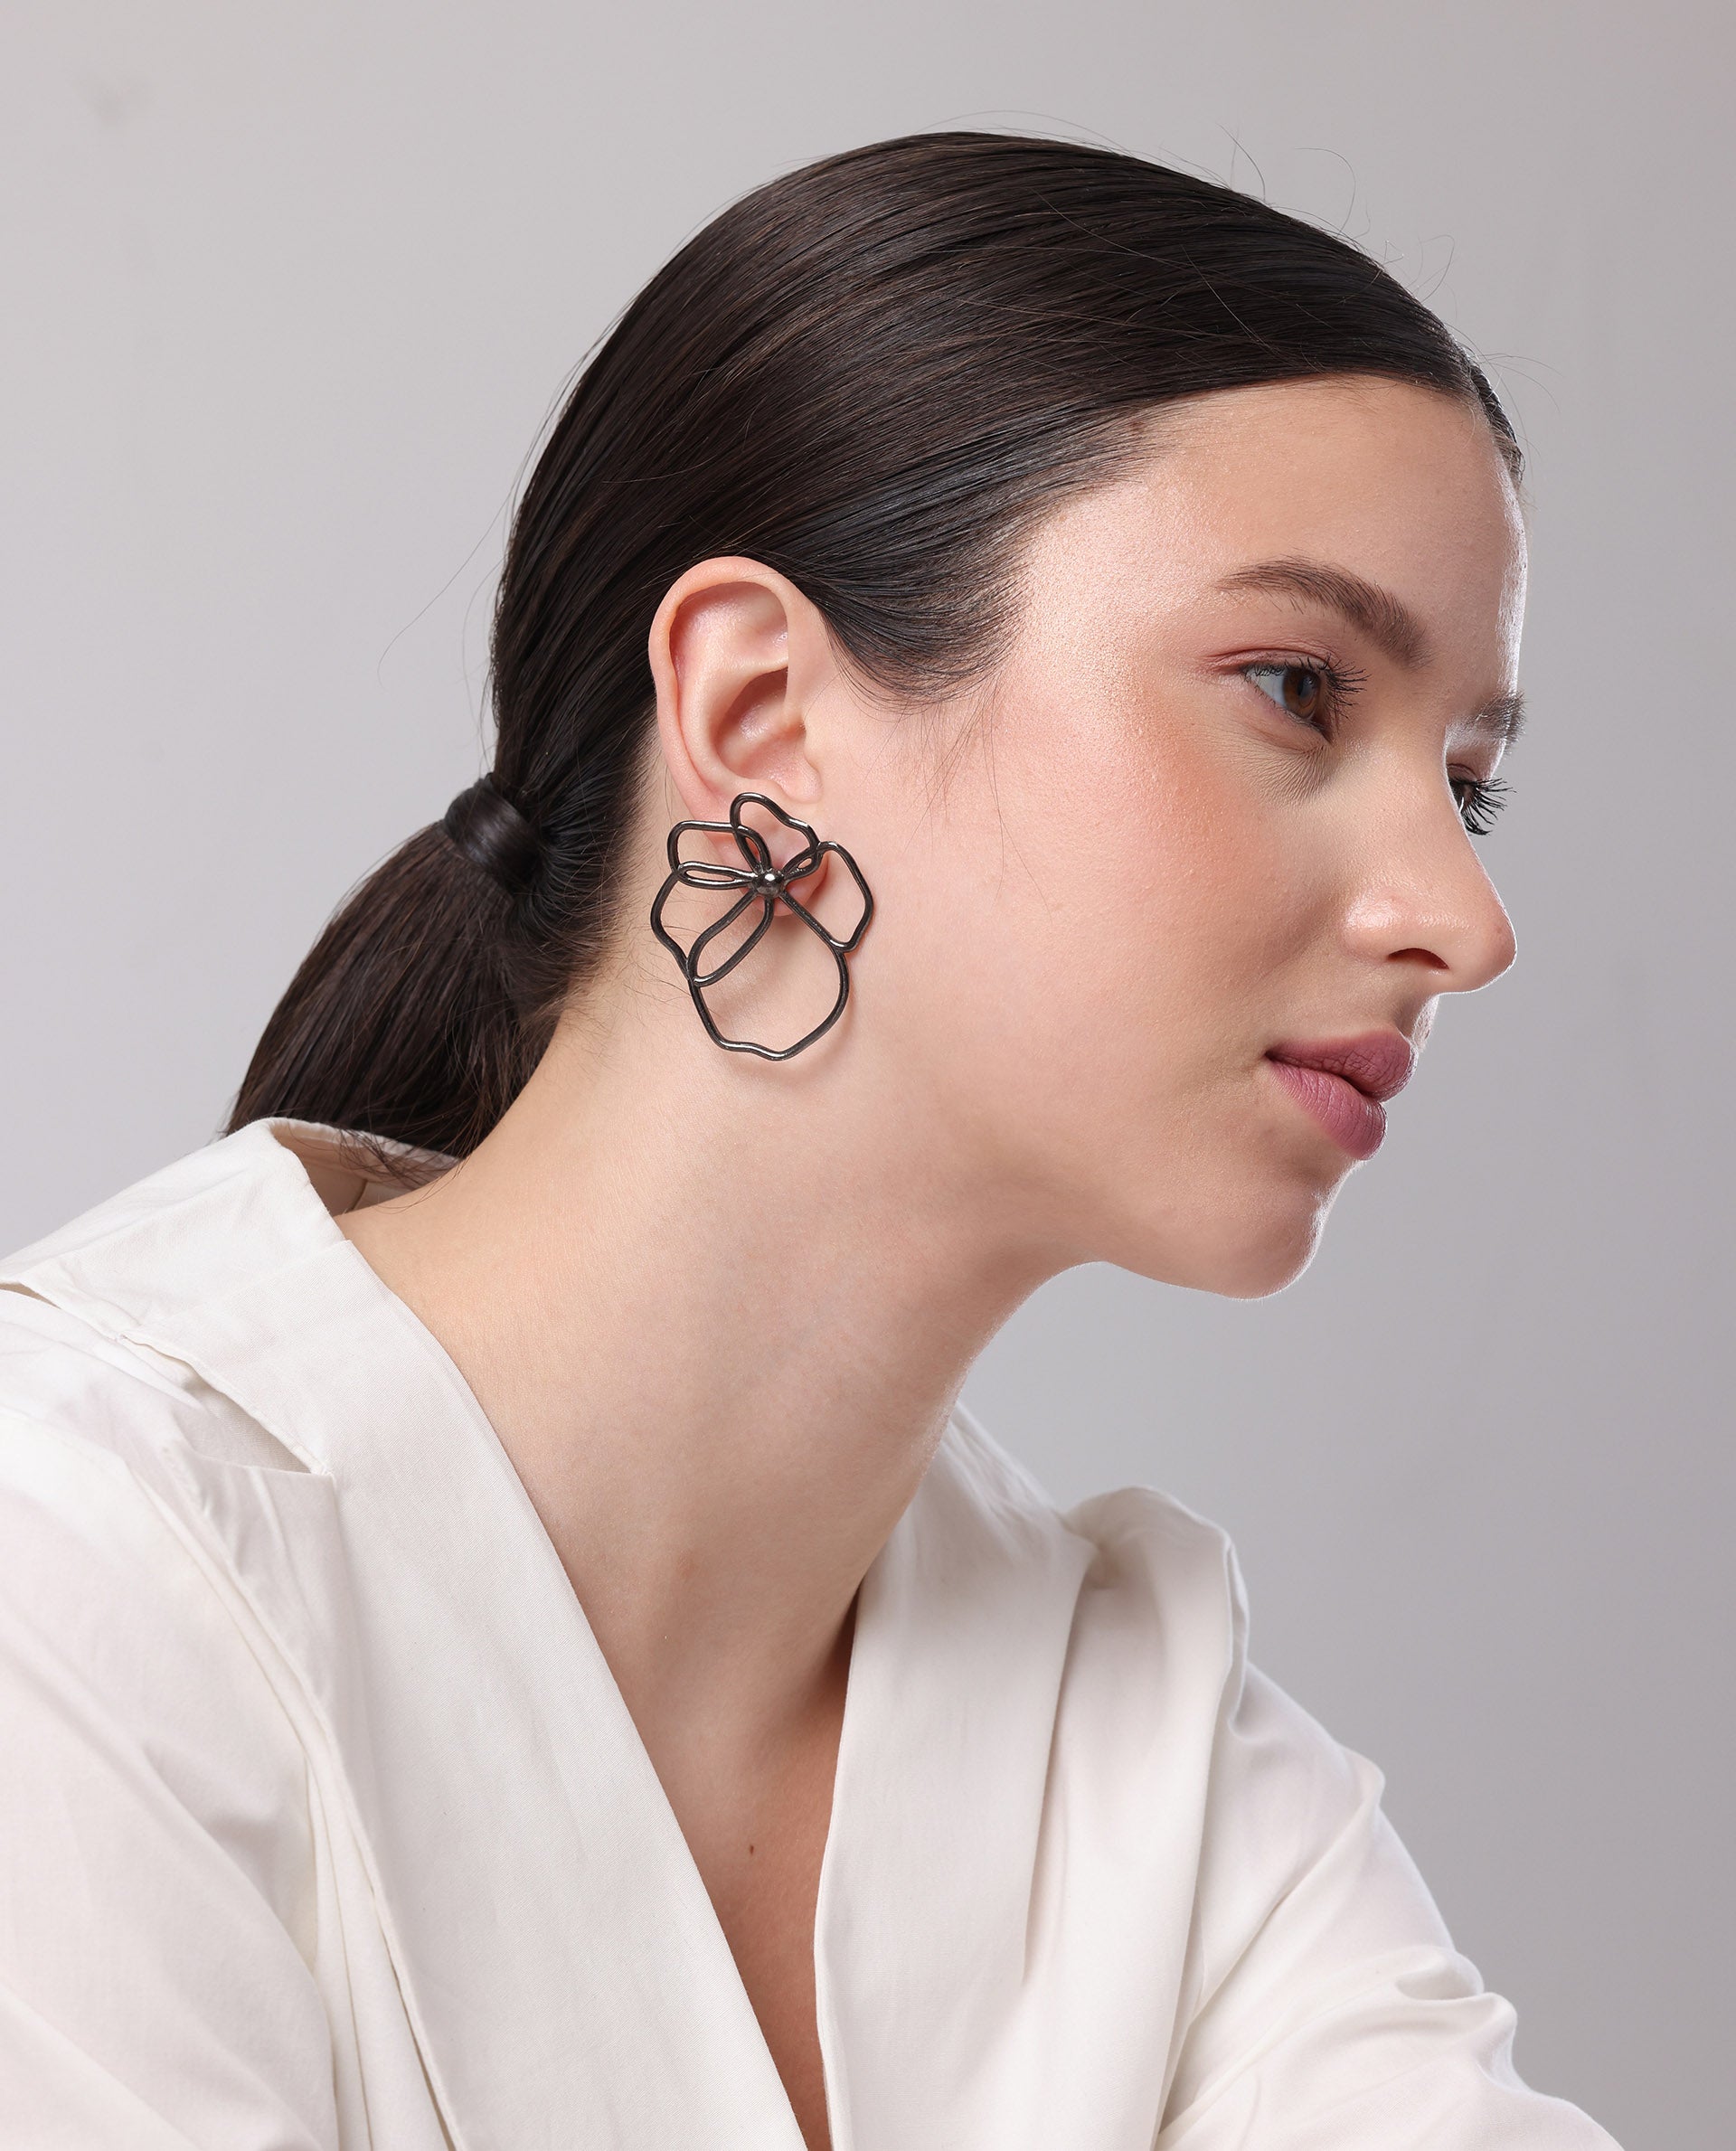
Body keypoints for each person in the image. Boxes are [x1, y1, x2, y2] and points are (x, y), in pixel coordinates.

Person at [0, 132, 1618, 2148]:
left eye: (1467, 784)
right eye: (1299, 689)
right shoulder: (73, 1572)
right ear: (763, 708)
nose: (1462, 916)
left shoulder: (1155, 1762)